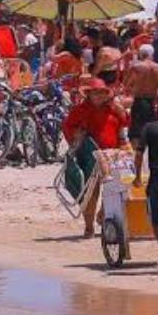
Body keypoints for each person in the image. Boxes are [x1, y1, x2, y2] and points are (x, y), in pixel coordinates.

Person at [62, 79, 130, 237]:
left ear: (107, 94)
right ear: (89, 94)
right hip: (88, 156)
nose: (99, 95)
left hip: (112, 154)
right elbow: (68, 127)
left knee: (113, 190)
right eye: (95, 92)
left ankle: (102, 214)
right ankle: (89, 226)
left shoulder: (114, 109)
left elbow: (125, 124)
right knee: (91, 192)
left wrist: (121, 112)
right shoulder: (80, 110)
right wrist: (76, 135)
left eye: (102, 92)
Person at [134, 97, 158, 272]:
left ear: (157, 111)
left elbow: (139, 153)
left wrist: (137, 177)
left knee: (157, 222)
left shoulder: (149, 128)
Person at [125, 44, 158, 148]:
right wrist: (156, 100)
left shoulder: (136, 67)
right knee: (150, 130)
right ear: (152, 54)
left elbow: (126, 85)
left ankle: (136, 155)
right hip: (151, 102)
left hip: (139, 101)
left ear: (141, 53)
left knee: (135, 132)